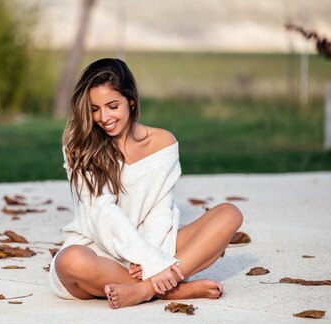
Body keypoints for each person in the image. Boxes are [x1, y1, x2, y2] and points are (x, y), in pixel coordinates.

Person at [49, 58, 243, 309]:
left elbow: (160, 211)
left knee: (229, 214)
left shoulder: (163, 143)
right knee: (69, 260)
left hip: (150, 250)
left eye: (112, 106)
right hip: (99, 251)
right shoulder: (80, 146)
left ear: (131, 100)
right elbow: (102, 214)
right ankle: (172, 290)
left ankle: (147, 290)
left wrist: (150, 264)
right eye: (94, 109)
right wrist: (147, 260)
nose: (103, 117)